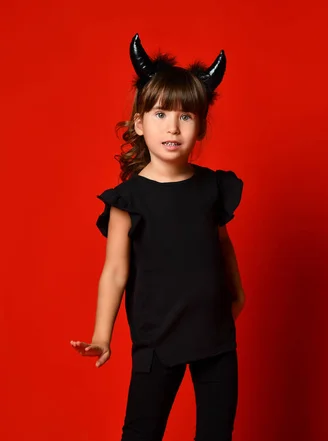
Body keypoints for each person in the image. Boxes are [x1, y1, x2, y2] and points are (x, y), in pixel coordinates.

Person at [69, 33, 245, 441]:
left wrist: (238, 294)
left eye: (185, 116)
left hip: (215, 338)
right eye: (162, 114)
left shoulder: (211, 189)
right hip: (157, 340)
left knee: (217, 434)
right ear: (139, 122)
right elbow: (114, 271)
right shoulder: (128, 199)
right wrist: (102, 335)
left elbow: (222, 246)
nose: (173, 126)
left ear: (199, 127)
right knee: (141, 433)